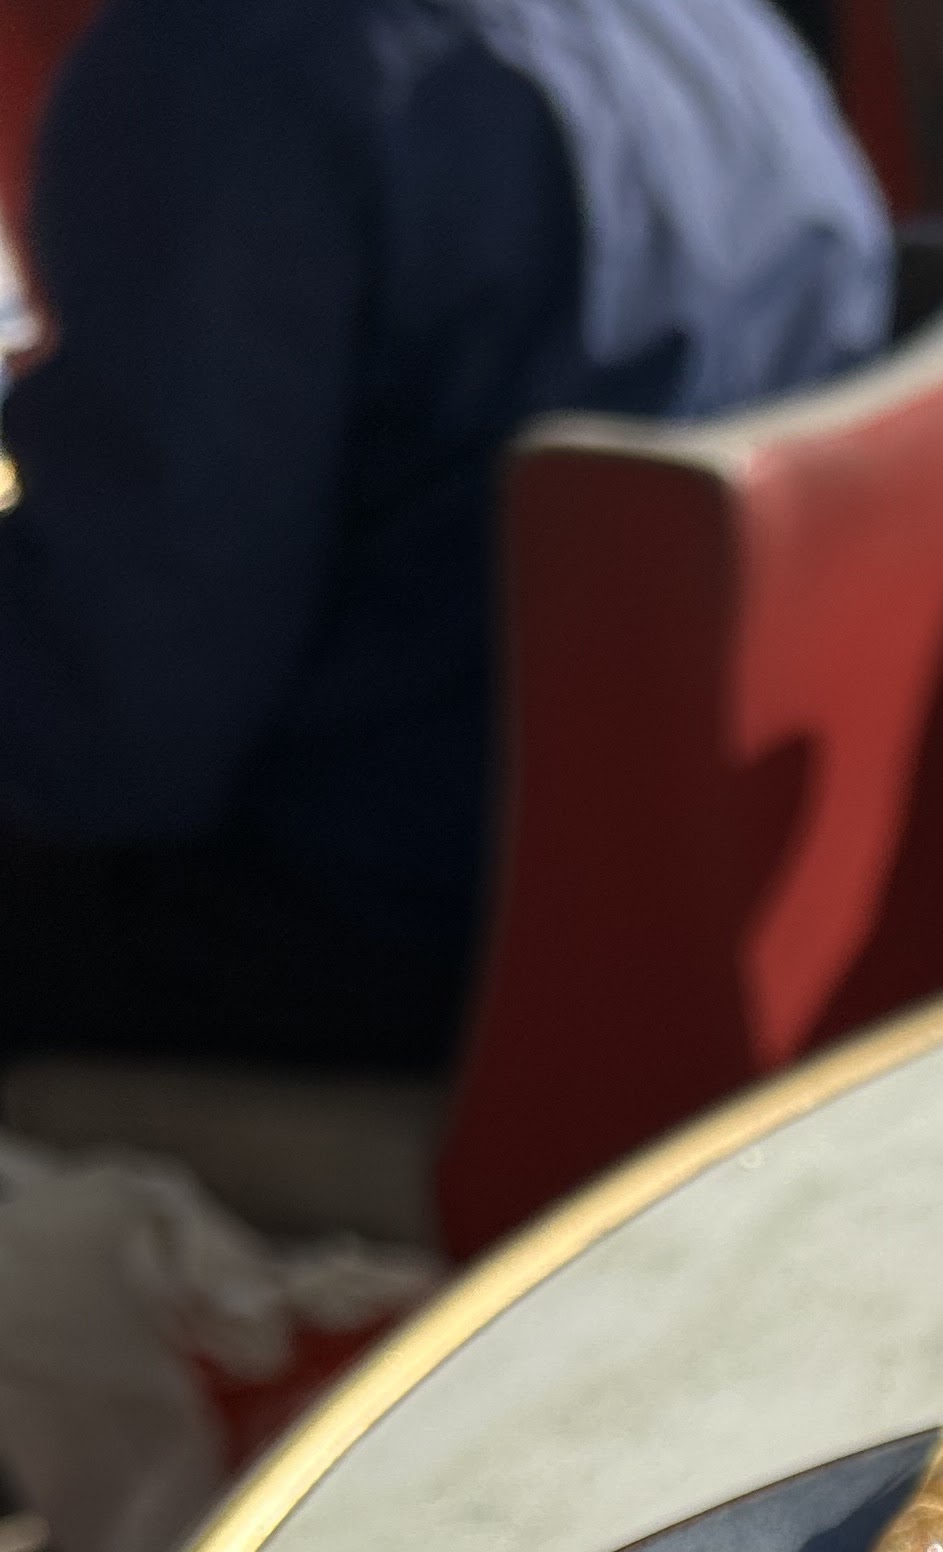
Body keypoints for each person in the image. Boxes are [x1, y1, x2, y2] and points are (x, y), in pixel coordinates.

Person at [0, 0, 893, 1076]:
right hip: (699, 895)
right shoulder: (707, 24)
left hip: (396, 938)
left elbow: (99, 744)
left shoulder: (224, 68)